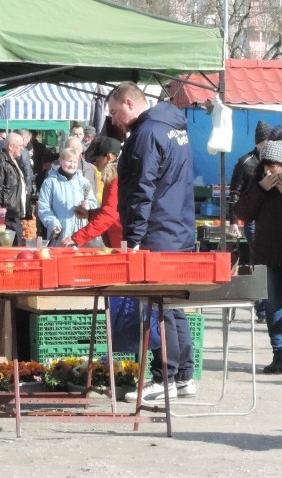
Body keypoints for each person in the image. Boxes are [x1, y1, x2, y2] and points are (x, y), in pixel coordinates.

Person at [107, 81, 197, 403]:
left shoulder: (147, 134)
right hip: (178, 229)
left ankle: (165, 378)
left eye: (115, 112)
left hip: (157, 233)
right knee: (172, 306)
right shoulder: (173, 127)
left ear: (130, 103)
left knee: (159, 305)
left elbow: (142, 189)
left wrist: (132, 237)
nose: (114, 120)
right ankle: (184, 375)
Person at [234, 130, 282, 373]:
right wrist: (262, 188)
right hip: (265, 253)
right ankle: (279, 355)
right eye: (265, 165)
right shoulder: (257, 181)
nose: (268, 171)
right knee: (273, 304)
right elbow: (243, 212)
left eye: (273, 166)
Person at [229, 120, 273, 322]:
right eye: (264, 143)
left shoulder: (274, 162)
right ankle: (262, 308)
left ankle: (268, 304)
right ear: (258, 143)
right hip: (252, 219)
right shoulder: (245, 163)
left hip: (272, 217)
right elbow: (235, 193)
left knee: (269, 261)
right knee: (260, 261)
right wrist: (233, 221)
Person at [62, 137, 123, 248]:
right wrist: (89, 214)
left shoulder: (115, 179)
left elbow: (109, 215)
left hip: (122, 240)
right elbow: (114, 210)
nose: (96, 163)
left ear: (109, 157)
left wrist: (76, 238)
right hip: (118, 239)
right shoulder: (115, 177)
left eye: (97, 159)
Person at [38, 147, 97, 242]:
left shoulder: (83, 182)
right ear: (61, 161)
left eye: (75, 162)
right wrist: (53, 222)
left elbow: (94, 204)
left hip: (79, 233)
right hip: (59, 233)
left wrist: (88, 205)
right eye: (69, 161)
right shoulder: (50, 182)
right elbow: (44, 207)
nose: (72, 165)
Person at [0, 132, 28, 245]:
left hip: (14, 214)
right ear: (10, 146)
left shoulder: (15, 162)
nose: (22, 149)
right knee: (9, 248)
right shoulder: (0, 161)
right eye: (20, 146)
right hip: (6, 215)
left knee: (17, 244)